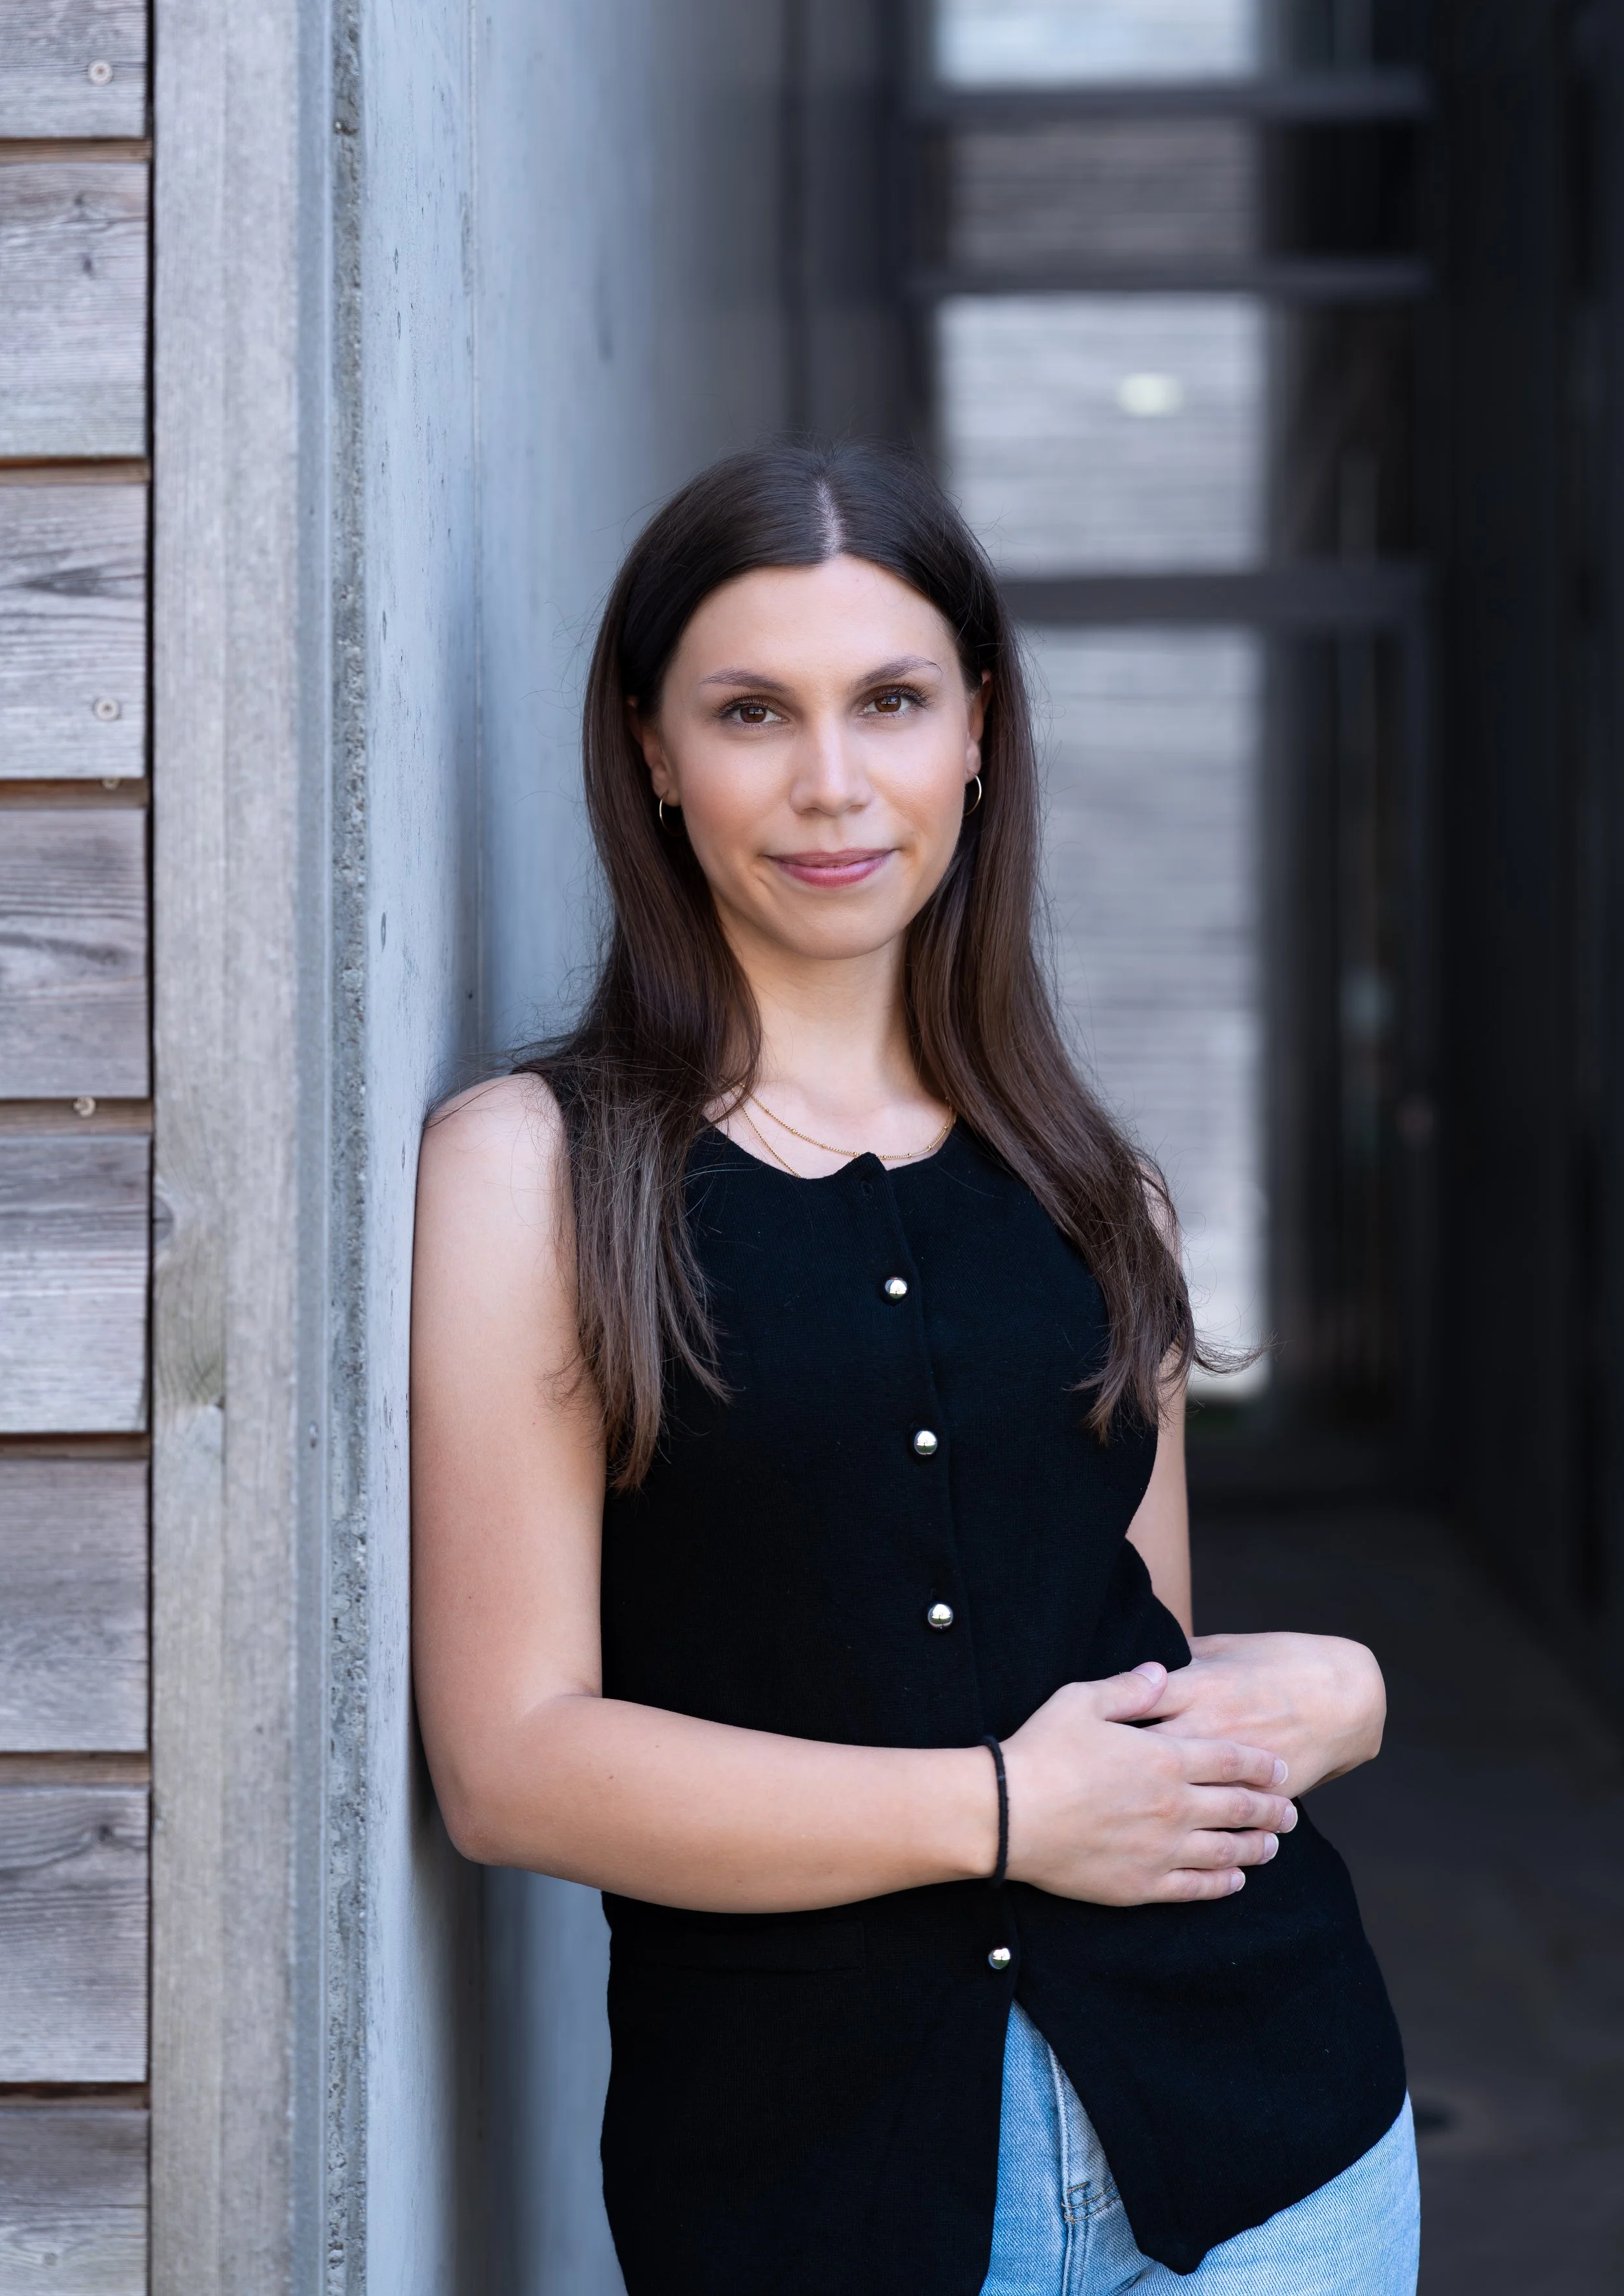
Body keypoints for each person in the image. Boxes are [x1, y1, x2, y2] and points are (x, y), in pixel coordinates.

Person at [410, 441, 1419, 2295]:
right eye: (749, 709)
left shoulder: (1099, 1189)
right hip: (812, 2197)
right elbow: (513, 1764)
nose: (829, 780)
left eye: (888, 699)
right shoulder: (533, 1174)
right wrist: (1004, 1808)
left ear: (975, 729)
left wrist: (1332, 1686)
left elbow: (1141, 1689)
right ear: (648, 746)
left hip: (1270, 2149)